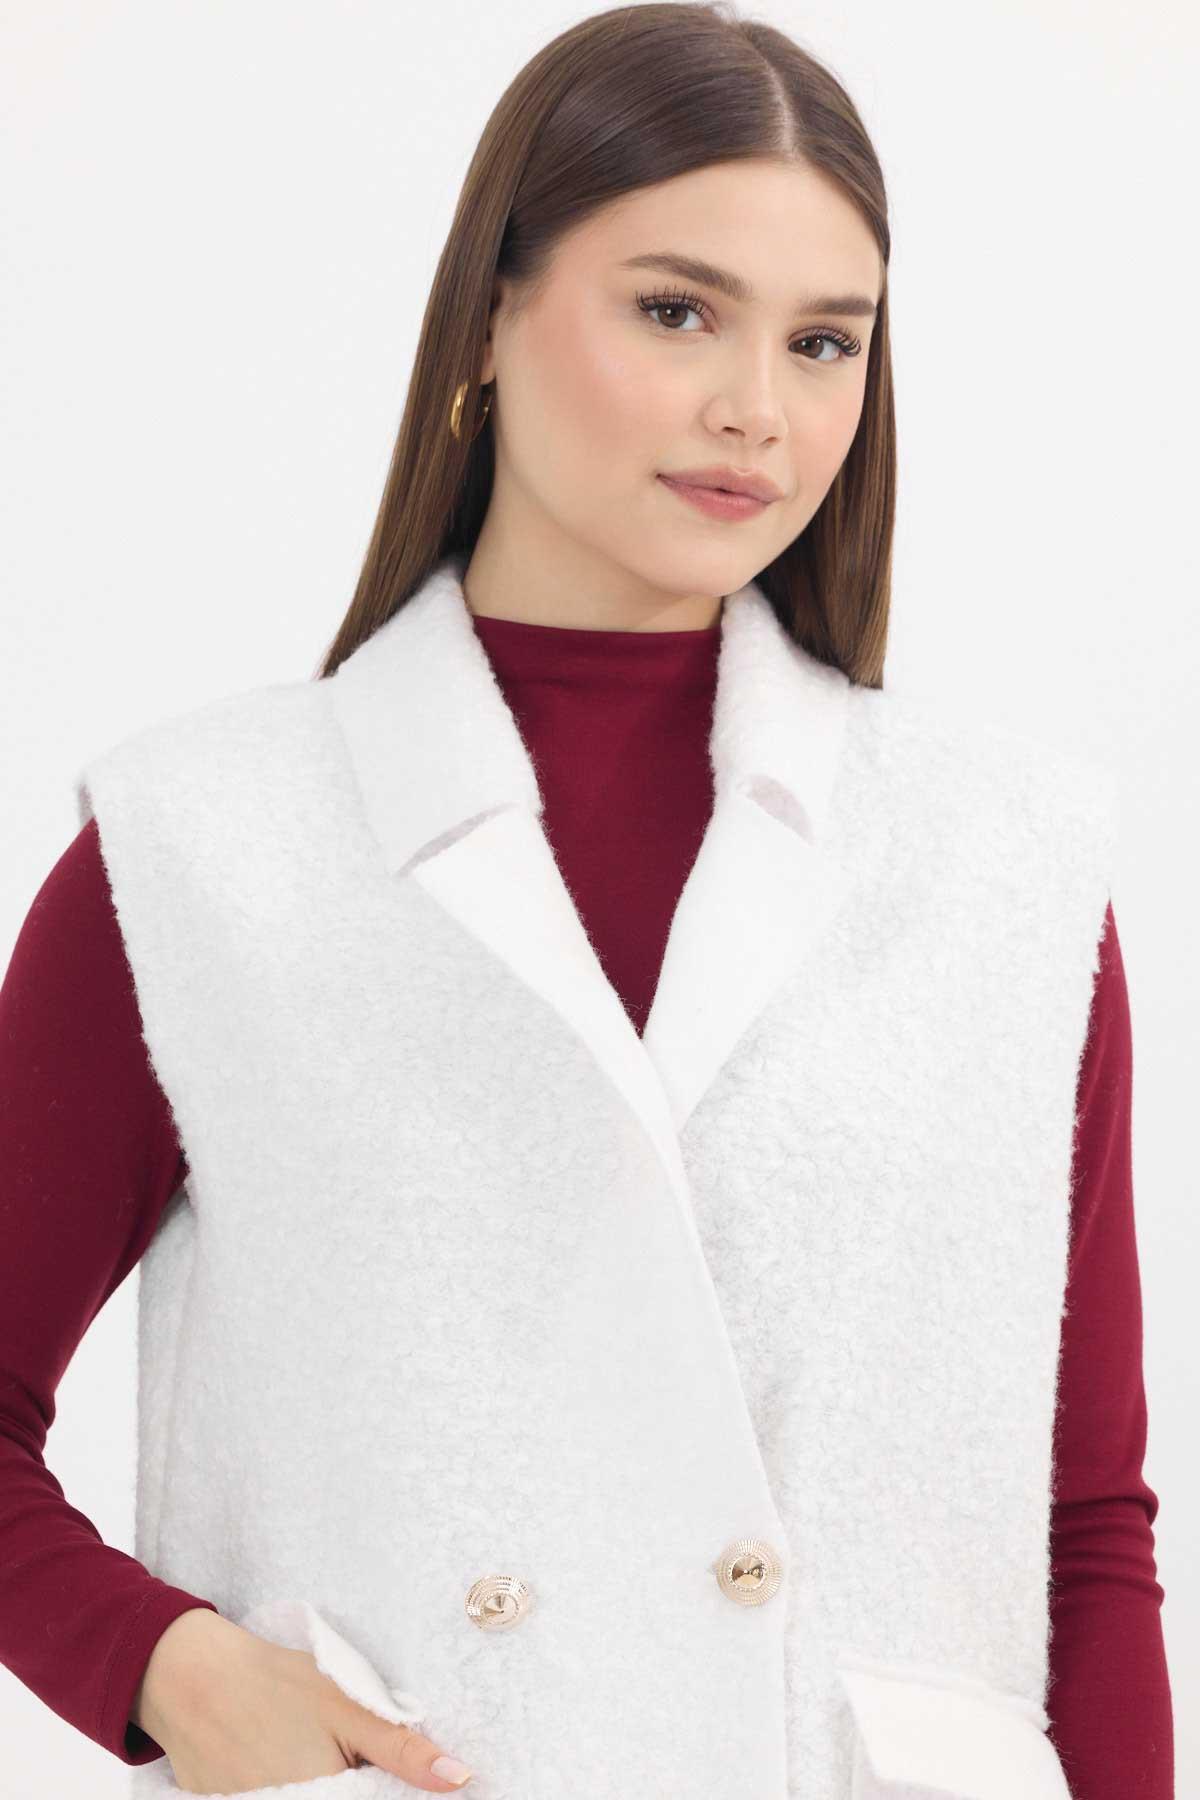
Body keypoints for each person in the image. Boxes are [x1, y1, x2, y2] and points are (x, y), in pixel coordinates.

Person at [0, 4, 1172, 1796]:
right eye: (677, 310)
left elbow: (1082, 1531)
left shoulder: (1001, 868)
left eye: (825, 341)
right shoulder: (204, 853)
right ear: (490, 315)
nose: (756, 407)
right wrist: (161, 1665)